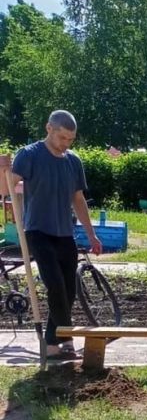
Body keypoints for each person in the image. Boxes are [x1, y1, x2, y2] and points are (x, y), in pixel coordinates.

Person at [10, 110, 102, 360]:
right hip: (37, 231)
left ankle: (52, 343)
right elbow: (7, 186)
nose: (66, 144)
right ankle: (66, 339)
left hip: (64, 233)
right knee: (55, 286)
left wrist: (92, 235)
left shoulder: (73, 161)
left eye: (70, 139)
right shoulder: (29, 155)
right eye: (62, 138)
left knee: (69, 291)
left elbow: (78, 199)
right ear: (48, 128)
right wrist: (3, 170)